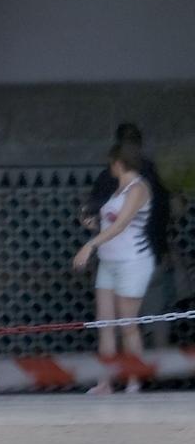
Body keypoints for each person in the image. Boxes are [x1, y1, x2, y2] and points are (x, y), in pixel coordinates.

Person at [73, 142, 169, 394]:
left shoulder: (138, 188)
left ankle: (133, 380)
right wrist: (92, 224)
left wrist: (89, 246)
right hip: (109, 262)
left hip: (132, 262)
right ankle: (105, 381)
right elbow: (110, 225)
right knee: (104, 323)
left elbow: (122, 225)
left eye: (111, 163)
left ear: (118, 163)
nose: (109, 167)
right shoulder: (119, 190)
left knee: (128, 324)